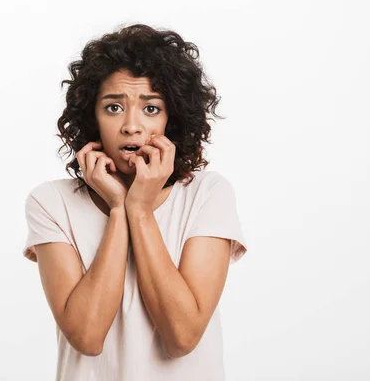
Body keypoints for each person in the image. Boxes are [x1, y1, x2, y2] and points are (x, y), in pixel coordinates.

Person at [23, 23, 247, 381]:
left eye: (151, 109)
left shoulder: (208, 194)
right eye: (113, 108)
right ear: (91, 118)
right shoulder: (51, 202)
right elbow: (86, 336)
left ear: (173, 118)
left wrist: (139, 210)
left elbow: (182, 336)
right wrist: (117, 208)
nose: (131, 126)